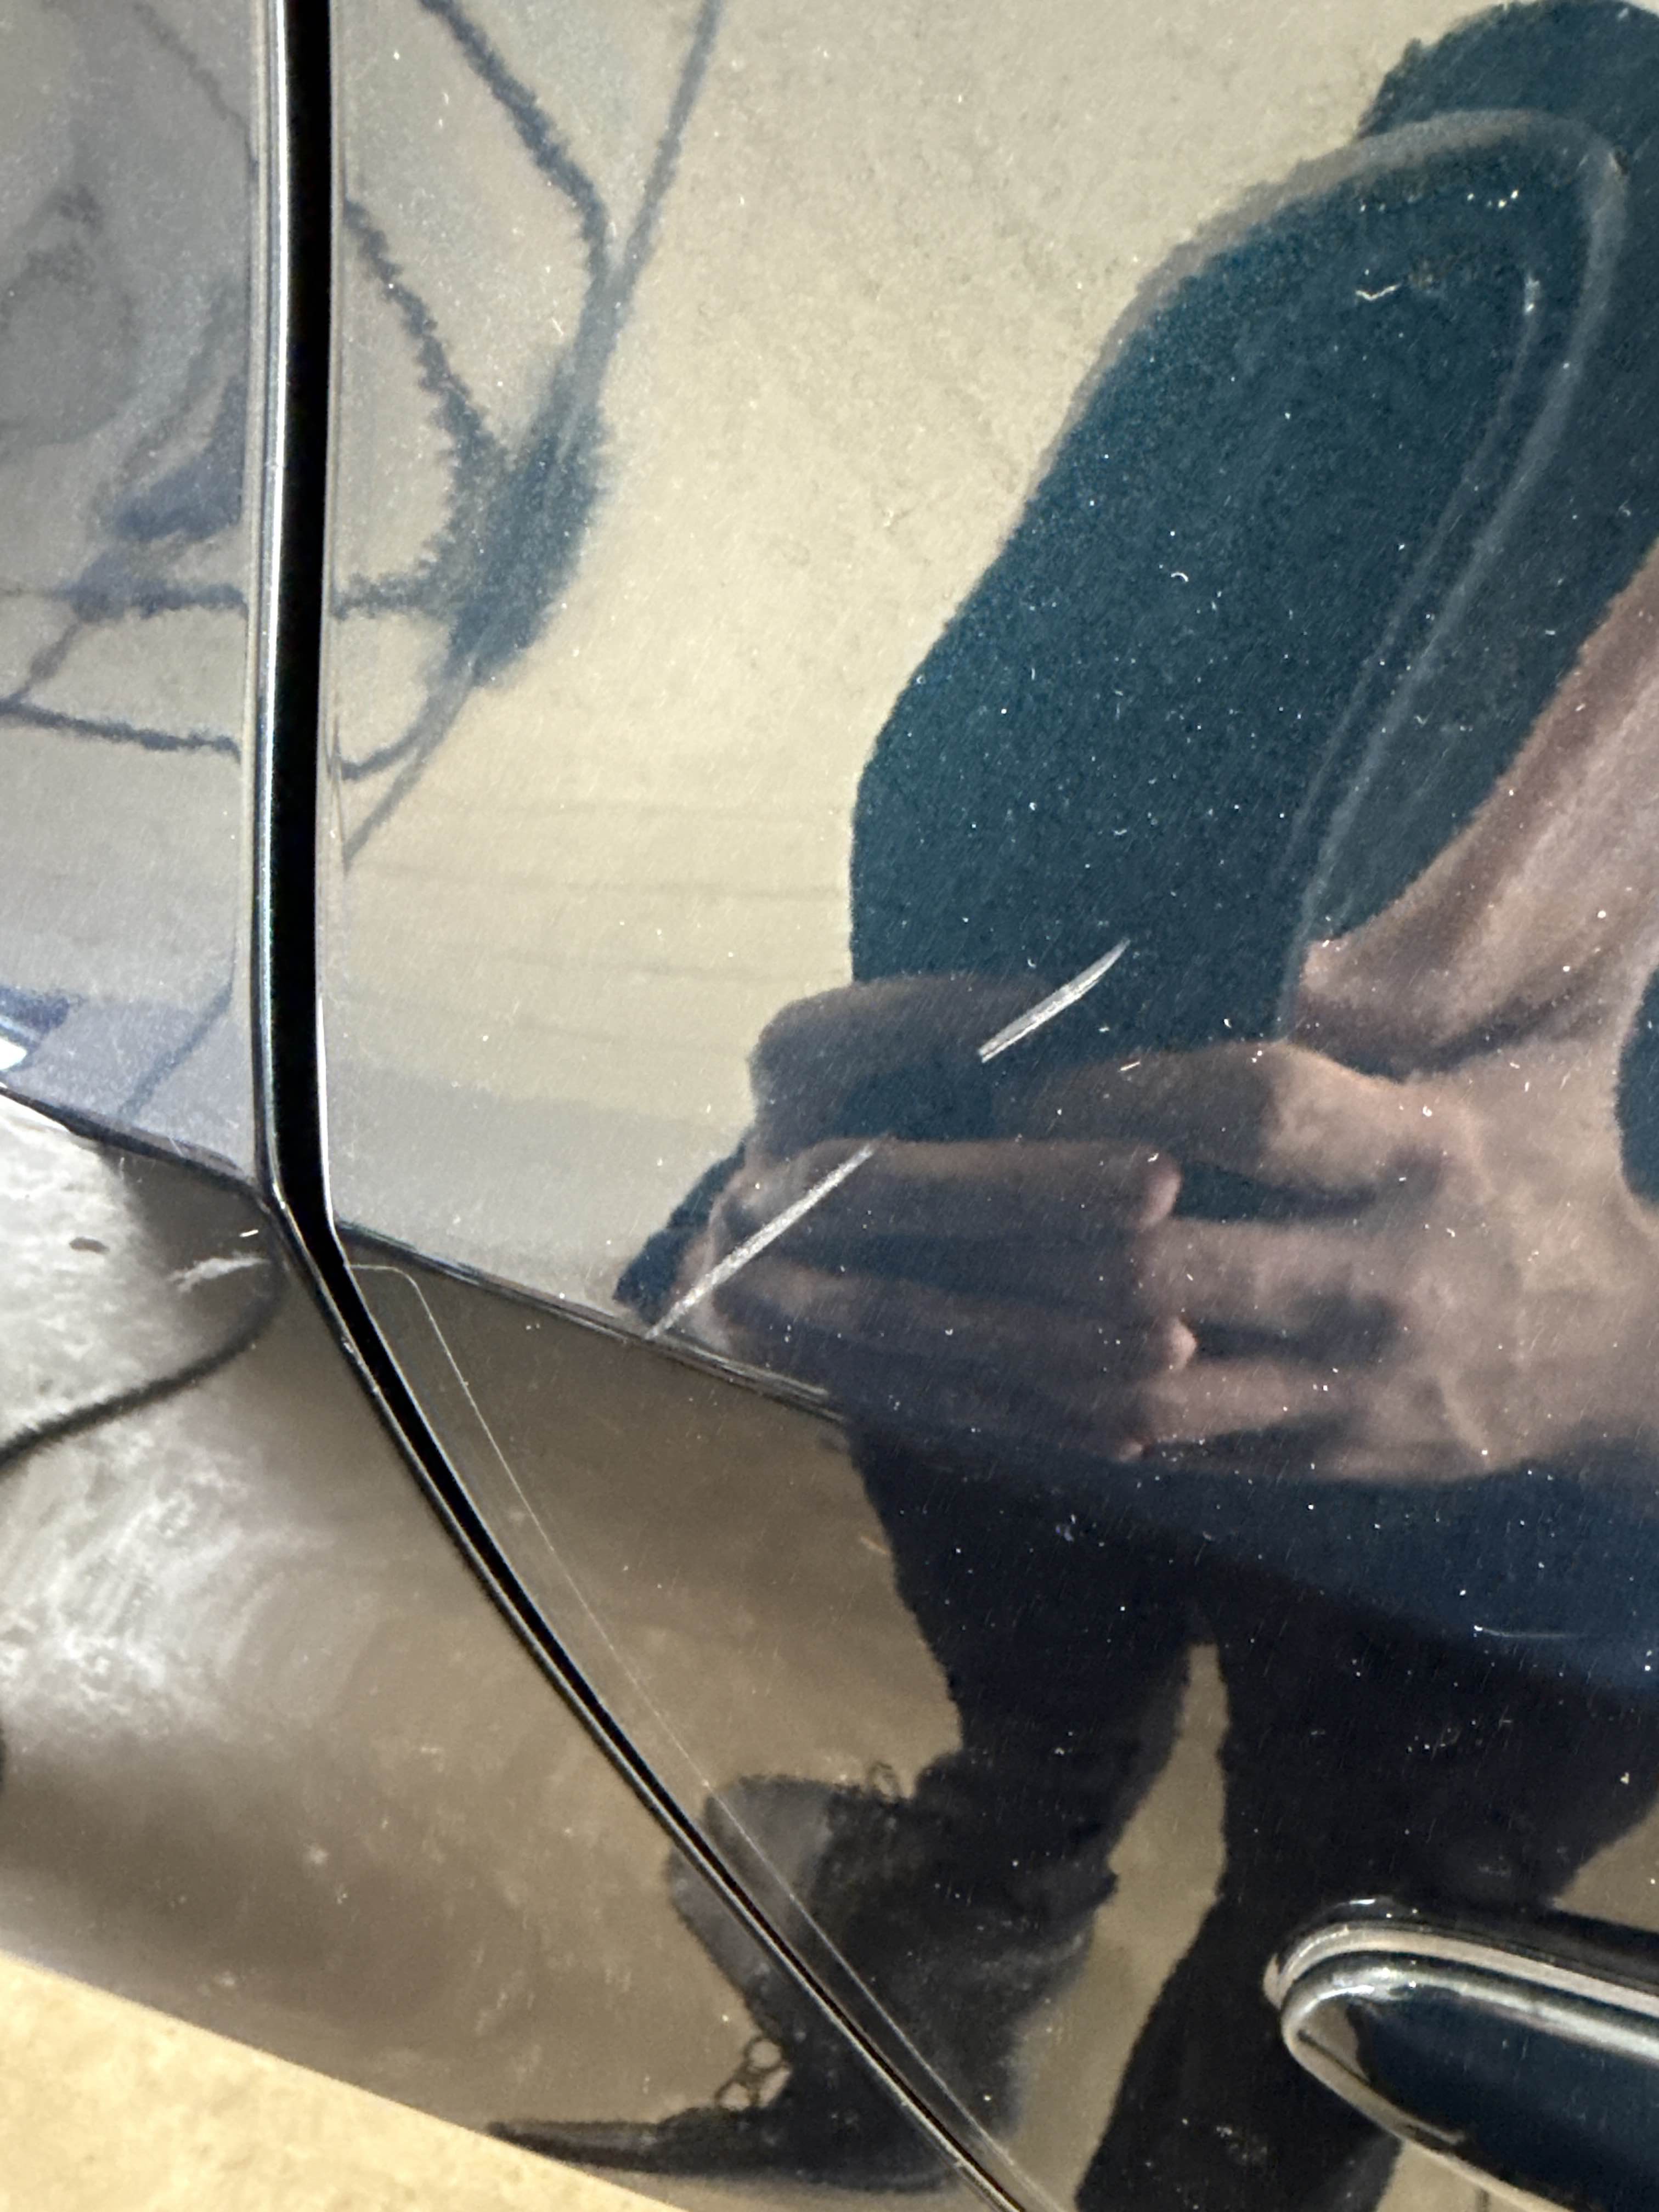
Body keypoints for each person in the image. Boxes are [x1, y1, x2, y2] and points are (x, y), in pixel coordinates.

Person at [499, 6, 1659, 2205]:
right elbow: (1007, 839)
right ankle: (958, 1955)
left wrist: (1614, 1345)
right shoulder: (1468, 185)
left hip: (1546, 1563)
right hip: (1087, 1361)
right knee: (1159, 1811)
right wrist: (805, 1197)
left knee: (1338, 1954)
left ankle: (1001, 1942)